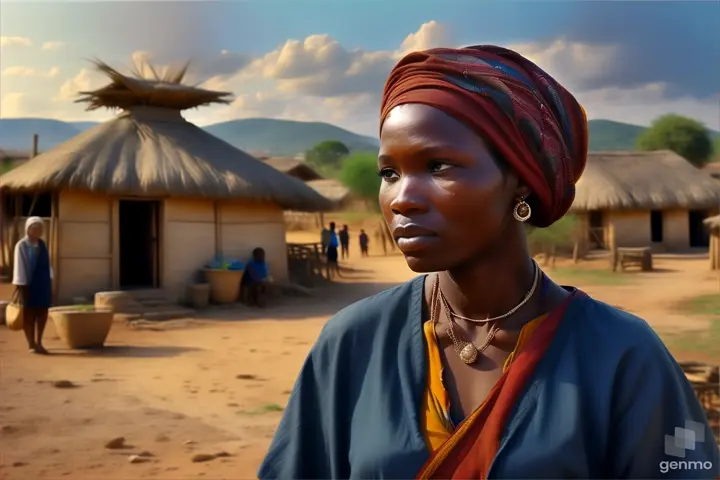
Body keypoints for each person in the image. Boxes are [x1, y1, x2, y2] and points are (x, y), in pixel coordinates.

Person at [258, 46, 719, 479]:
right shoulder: (353, 343)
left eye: (438, 166)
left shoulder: (622, 355)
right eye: (389, 173)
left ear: (520, 180)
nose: (403, 199)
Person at [13, 216, 53, 354]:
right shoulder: (21, 245)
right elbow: (19, 266)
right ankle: (31, 343)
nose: (37, 231)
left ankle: (40, 342)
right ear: (28, 229)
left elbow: (47, 264)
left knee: (42, 313)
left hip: (42, 284)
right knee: (28, 315)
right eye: (34, 228)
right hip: (27, 284)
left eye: (40, 228)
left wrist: (50, 280)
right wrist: (21, 284)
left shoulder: (42, 244)